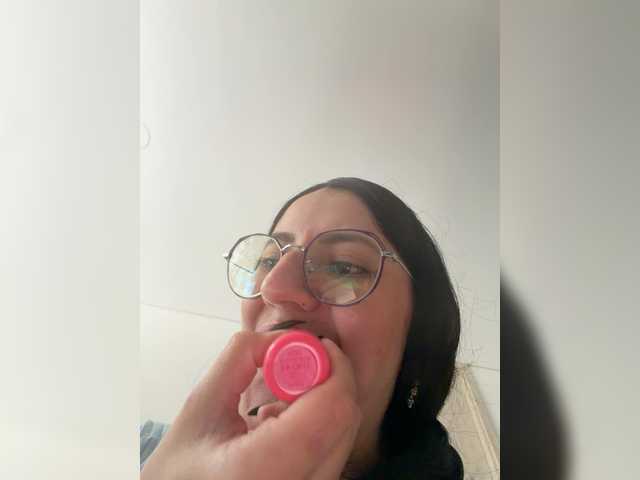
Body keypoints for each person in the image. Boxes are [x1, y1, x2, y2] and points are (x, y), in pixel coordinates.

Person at [140, 177, 463, 479]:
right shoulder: (143, 448)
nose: (273, 287)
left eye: (343, 266)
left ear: (421, 330)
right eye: (268, 261)